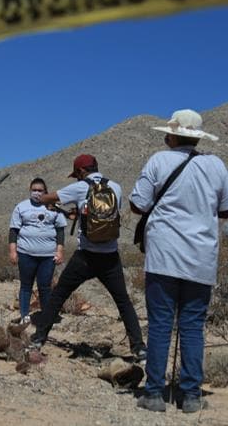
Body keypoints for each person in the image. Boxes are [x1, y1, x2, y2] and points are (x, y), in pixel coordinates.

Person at [129, 109, 228, 413]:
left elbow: (138, 204)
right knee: (192, 326)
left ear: (174, 135)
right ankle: (191, 395)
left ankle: (154, 393)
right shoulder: (215, 164)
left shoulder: (158, 161)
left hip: (164, 256)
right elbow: (227, 209)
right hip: (201, 257)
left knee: (160, 324)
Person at [29, 154, 146, 361]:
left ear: (81, 171)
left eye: (77, 174)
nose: (77, 178)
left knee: (58, 296)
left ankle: (38, 339)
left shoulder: (80, 187)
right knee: (123, 302)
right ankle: (139, 348)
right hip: (110, 256)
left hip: (85, 256)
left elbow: (46, 199)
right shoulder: (116, 187)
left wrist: (47, 200)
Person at [9, 177, 67, 324]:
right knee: (26, 285)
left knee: (45, 287)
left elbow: (60, 231)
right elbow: (14, 230)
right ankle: (24, 315)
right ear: (30, 190)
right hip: (26, 253)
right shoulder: (21, 207)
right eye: (34, 190)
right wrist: (13, 251)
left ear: (45, 191)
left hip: (48, 256)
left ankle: (46, 316)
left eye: (40, 190)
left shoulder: (53, 207)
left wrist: (60, 251)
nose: (37, 193)